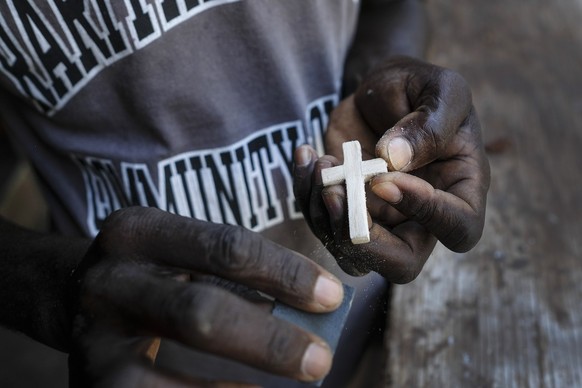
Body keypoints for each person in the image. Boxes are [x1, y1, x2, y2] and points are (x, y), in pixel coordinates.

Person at [0, 0, 490, 387]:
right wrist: (59, 287)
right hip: (135, 355)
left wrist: (373, 78)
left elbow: (390, 5)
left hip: (354, 318)